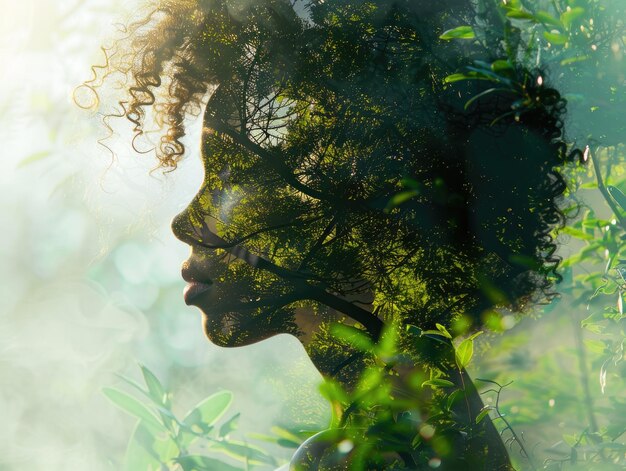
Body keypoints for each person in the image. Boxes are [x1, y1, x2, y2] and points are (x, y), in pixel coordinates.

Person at [82, 0, 578, 468]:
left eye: (232, 184)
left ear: (353, 207)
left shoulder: (365, 454)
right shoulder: (443, 421)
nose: (185, 223)